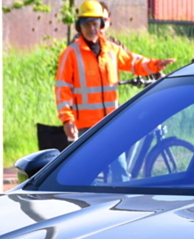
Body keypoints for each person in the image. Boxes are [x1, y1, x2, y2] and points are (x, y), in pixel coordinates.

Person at [55, 0, 176, 142]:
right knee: (93, 165)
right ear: (79, 27)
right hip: (86, 128)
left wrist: (155, 65)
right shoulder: (70, 54)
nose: (91, 28)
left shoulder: (111, 49)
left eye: (94, 24)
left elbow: (134, 62)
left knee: (120, 165)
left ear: (101, 24)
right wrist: (67, 120)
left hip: (110, 123)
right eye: (87, 24)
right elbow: (62, 90)